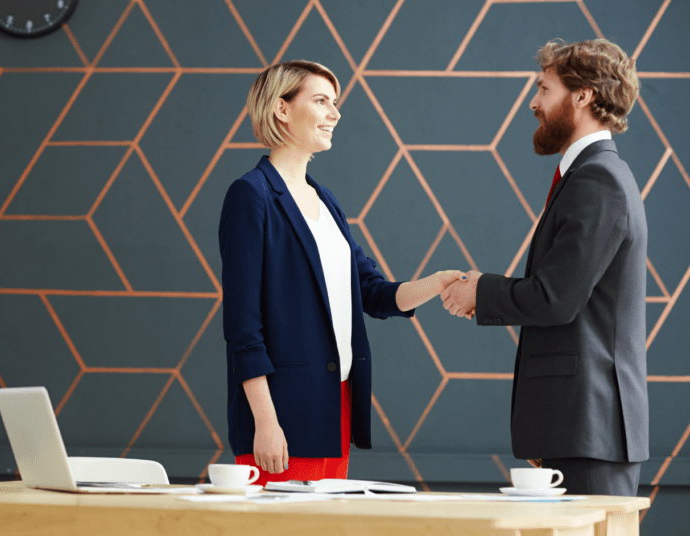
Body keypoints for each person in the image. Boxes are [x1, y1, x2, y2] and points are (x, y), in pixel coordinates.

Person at [219, 60, 465, 484]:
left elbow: (371, 293)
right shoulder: (251, 195)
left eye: (335, 104)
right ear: (281, 108)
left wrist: (437, 282)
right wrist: (265, 422)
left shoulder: (326, 201)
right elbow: (243, 323)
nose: (335, 114)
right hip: (280, 415)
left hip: (334, 406)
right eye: (321, 101)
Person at [440, 39, 648, 496]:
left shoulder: (598, 180)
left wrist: (480, 292)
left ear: (583, 95)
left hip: (591, 433)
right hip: (577, 431)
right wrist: (547, 428)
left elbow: (557, 298)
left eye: (543, 89)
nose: (534, 103)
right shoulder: (590, 176)